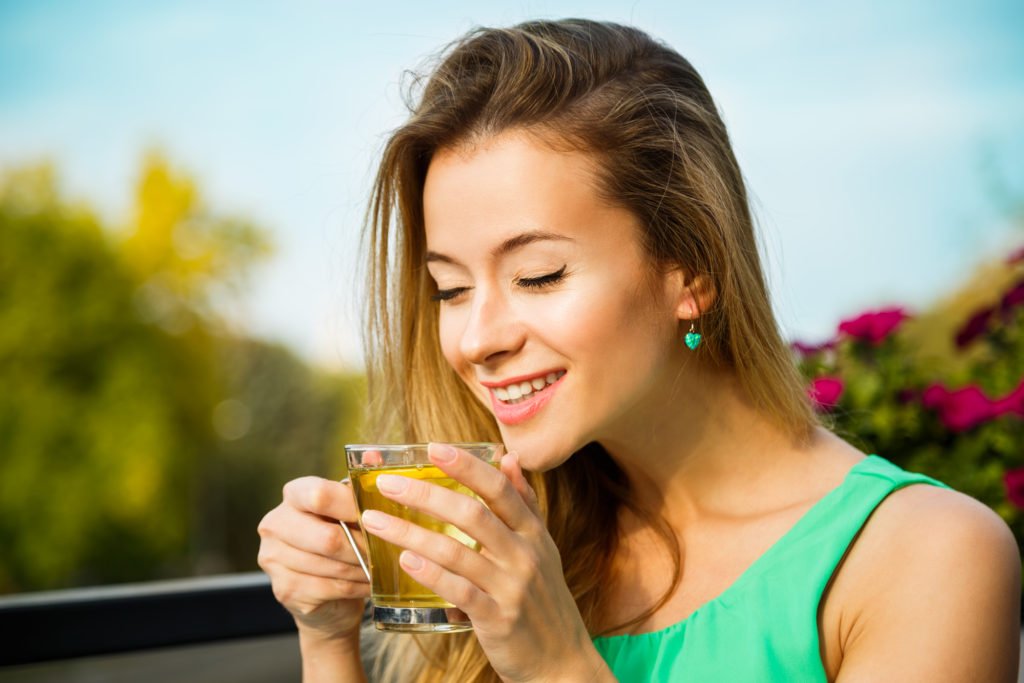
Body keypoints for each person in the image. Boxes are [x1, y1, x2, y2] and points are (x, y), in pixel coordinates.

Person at [257, 18, 1021, 682]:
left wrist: (557, 665)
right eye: (450, 290)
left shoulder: (928, 558)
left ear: (690, 268)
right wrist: (327, 637)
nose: (478, 338)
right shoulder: (524, 539)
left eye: (538, 274)